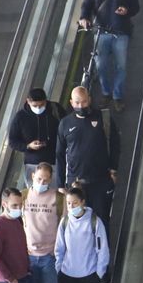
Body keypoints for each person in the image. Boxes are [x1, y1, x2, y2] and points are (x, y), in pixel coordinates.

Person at [79, 0, 140, 110]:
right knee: (101, 66)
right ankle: (106, 92)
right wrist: (84, 17)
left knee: (121, 66)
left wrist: (127, 11)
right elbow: (86, 4)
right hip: (101, 31)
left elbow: (136, 7)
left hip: (121, 32)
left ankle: (117, 96)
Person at [57, 85, 119, 222]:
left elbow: (115, 144)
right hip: (76, 181)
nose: (81, 106)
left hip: (101, 180)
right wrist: (61, 184)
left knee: (102, 220)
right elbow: (60, 154)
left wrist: (114, 170)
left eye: (84, 102)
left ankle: (102, 244)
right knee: (77, 221)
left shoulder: (103, 117)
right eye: (77, 103)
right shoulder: (65, 124)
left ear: (89, 100)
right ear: (71, 103)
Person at [22, 162, 62, 283]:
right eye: (39, 179)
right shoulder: (22, 197)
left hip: (48, 257)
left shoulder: (58, 198)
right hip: (28, 257)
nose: (42, 183)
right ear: (32, 177)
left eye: (46, 180)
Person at [6, 87, 63, 189]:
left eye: (41, 105)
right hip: (33, 164)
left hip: (55, 161)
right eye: (35, 105)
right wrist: (28, 146)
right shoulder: (21, 117)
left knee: (56, 195)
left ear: (46, 101)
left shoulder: (55, 110)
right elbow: (12, 141)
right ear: (28, 101)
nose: (38, 108)